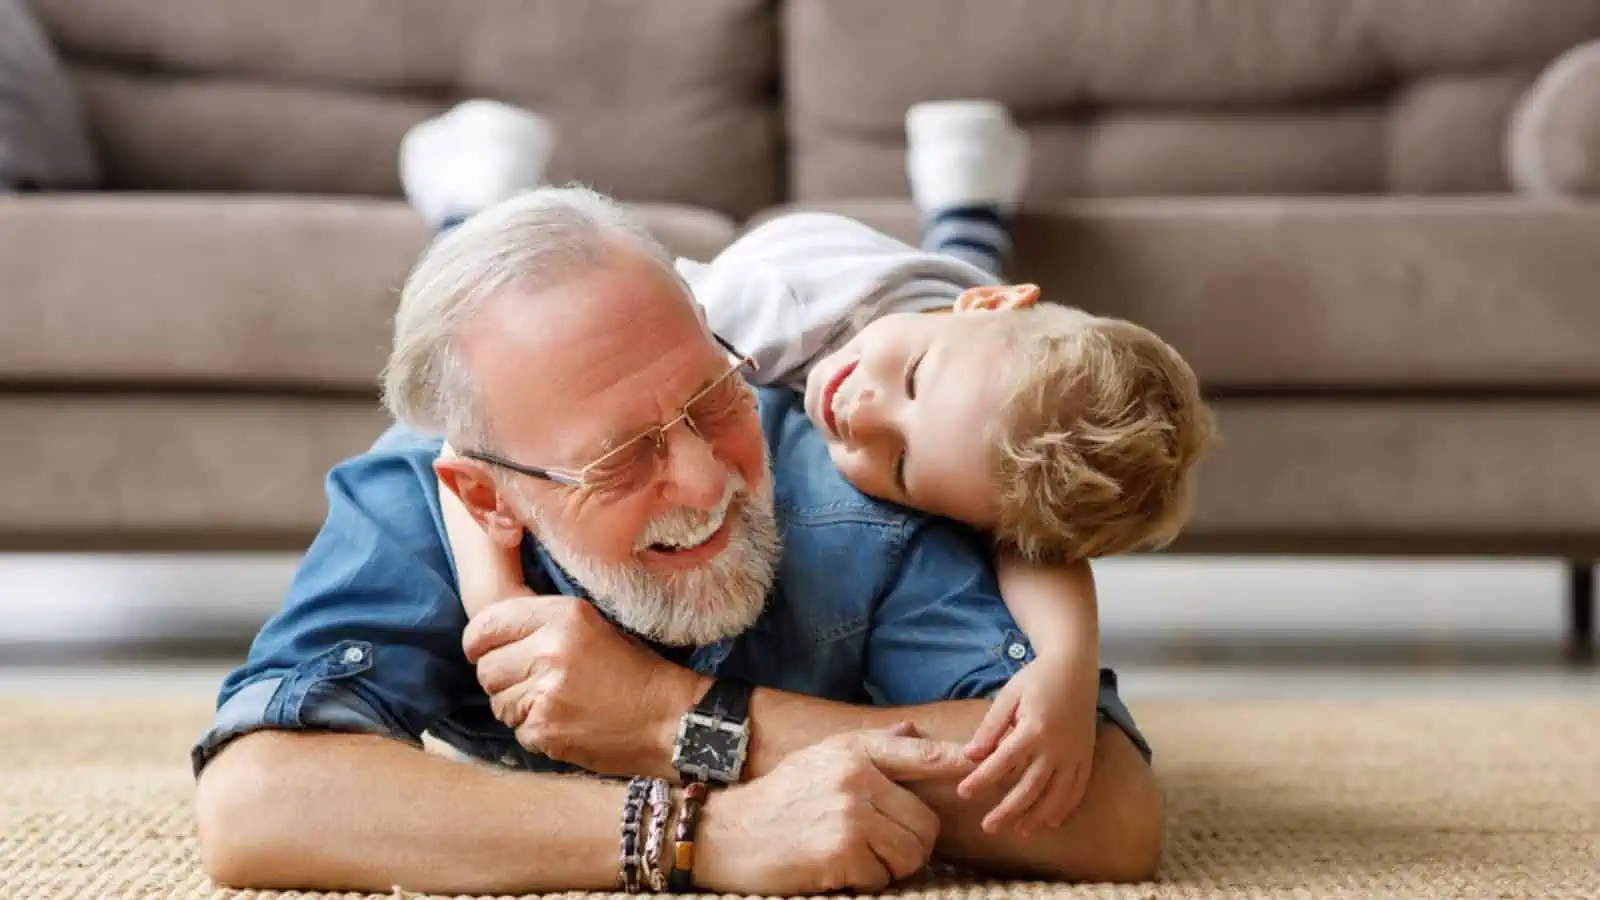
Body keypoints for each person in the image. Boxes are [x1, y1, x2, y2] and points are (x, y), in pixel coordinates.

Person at [191, 118, 1165, 899]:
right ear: (488, 500)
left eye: (712, 402)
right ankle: (467, 196)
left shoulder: (865, 467)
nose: (704, 481)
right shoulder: (413, 492)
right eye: (620, 459)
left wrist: (675, 721)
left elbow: (1107, 813)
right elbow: (257, 800)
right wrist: (696, 833)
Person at [423, 101, 1214, 834]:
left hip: (940, 316)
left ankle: (969, 210)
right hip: (848, 290)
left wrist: (1067, 673)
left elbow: (1035, 545)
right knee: (496, 314)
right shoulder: (753, 316)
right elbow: (478, 426)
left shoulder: (965, 393)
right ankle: (472, 204)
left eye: (899, 464)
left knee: (958, 278)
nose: (858, 409)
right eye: (911, 382)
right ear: (989, 308)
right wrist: (502, 608)